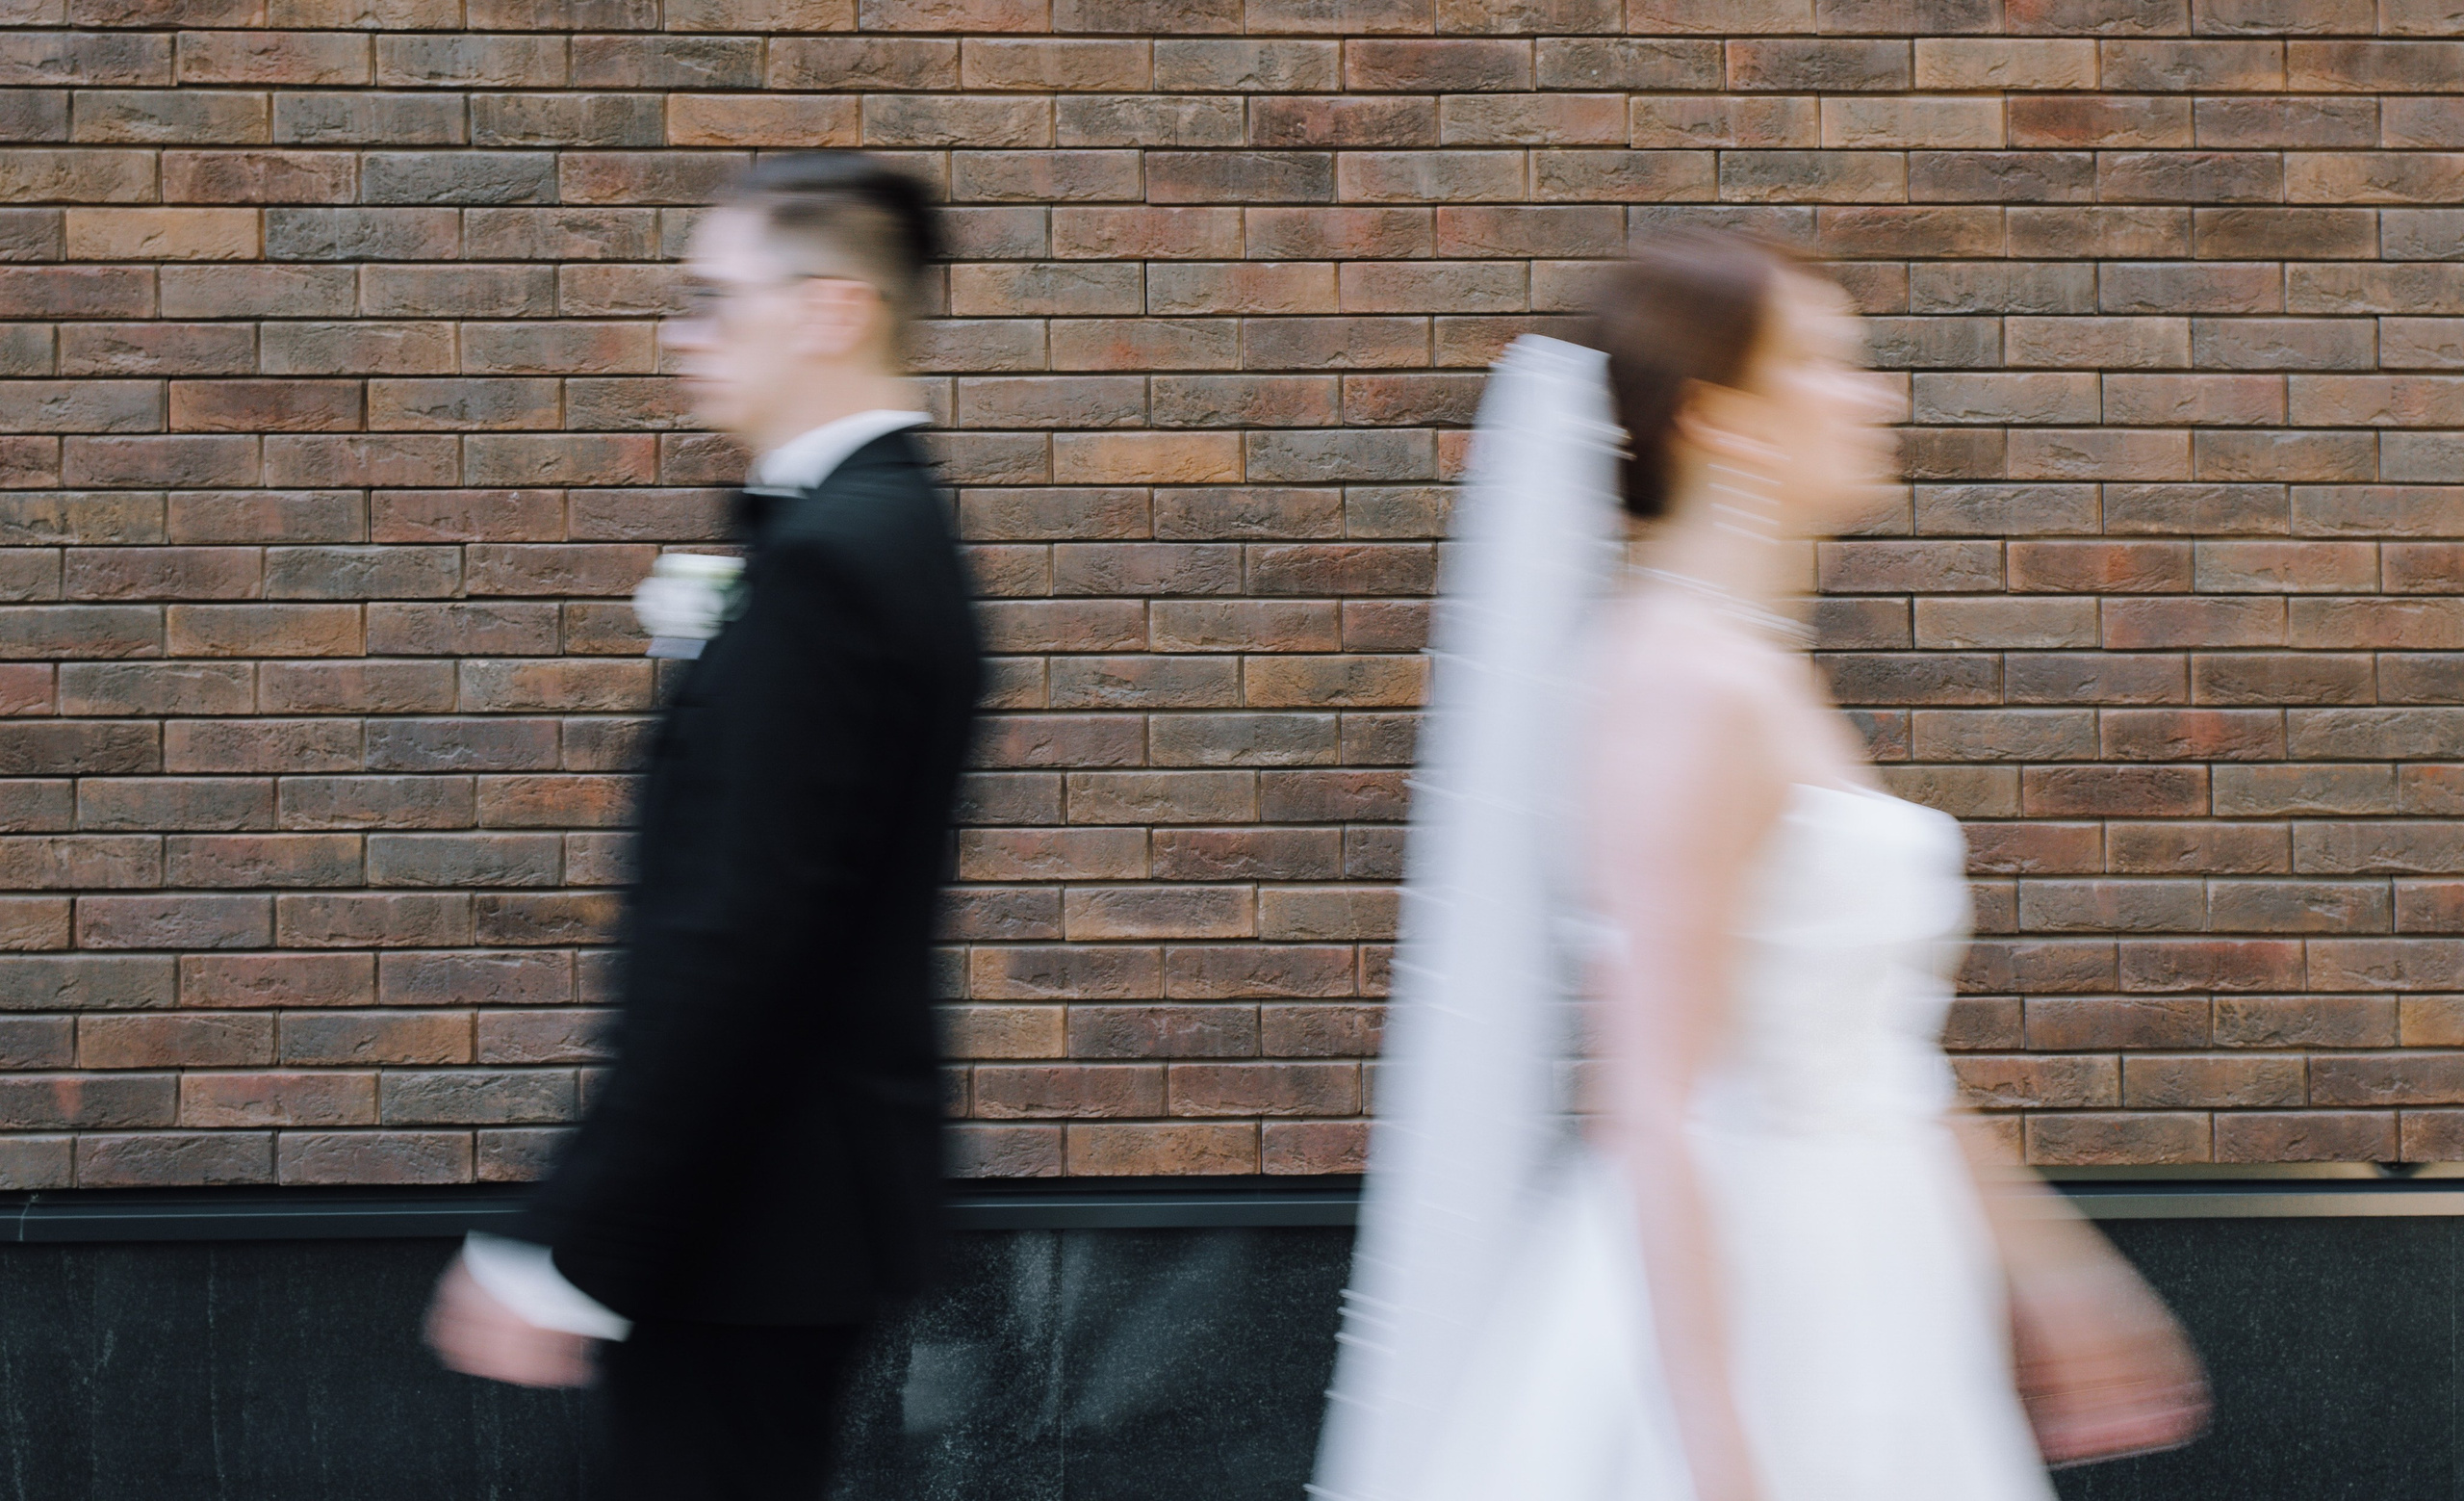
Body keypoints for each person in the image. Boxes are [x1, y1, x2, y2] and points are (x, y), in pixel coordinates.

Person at [1312, 232, 2209, 1501]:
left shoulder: (1762, 670)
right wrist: (1718, 1449)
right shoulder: (1679, 684)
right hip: (1757, 1279)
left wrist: (2048, 1262)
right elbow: (1650, 1104)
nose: (1876, 395)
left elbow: (1871, 1042)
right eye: (1830, 363)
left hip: (1876, 1256)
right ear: (1717, 417)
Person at [423, 151, 983, 1501]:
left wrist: (572, 1240)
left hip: (750, 1220)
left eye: (711, 301)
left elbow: (739, 942)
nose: (681, 338)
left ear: (829, 311)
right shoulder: (889, 530)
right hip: (786, 1212)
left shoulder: (837, 564)